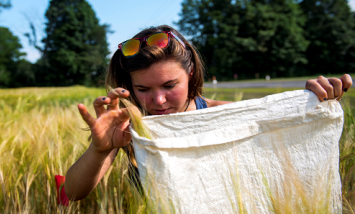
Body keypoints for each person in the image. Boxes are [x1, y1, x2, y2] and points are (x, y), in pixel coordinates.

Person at [64, 25, 353, 201]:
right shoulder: (128, 129)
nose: (158, 100)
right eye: (143, 89)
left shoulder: (226, 114)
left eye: (169, 85)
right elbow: (72, 194)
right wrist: (100, 150)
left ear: (190, 72)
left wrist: (306, 104)